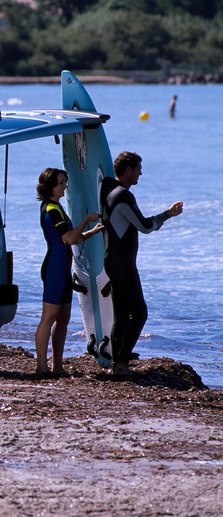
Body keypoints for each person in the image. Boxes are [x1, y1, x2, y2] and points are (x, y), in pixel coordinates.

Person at [100, 152, 183, 375]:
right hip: (122, 264)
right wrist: (167, 215)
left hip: (112, 261)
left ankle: (116, 364)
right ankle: (121, 363)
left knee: (121, 315)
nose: (141, 173)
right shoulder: (124, 196)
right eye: (138, 169)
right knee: (139, 313)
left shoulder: (108, 190)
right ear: (128, 170)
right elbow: (145, 226)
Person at [35, 168, 104, 375]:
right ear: (50, 186)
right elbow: (70, 239)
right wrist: (86, 219)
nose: (65, 186)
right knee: (49, 317)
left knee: (63, 317)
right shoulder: (51, 209)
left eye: (65, 182)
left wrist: (93, 231)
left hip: (63, 268)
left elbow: (75, 236)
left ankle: (57, 366)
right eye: (61, 182)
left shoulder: (58, 207)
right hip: (54, 268)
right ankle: (41, 366)